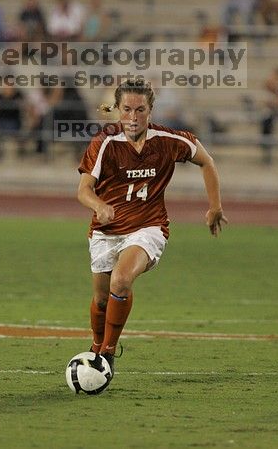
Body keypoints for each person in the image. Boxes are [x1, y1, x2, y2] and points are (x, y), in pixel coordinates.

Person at [76, 79, 227, 383]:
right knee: (102, 300)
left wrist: (215, 207)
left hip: (148, 227)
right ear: (117, 110)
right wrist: (99, 205)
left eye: (140, 110)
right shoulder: (105, 141)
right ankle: (96, 346)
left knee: (122, 279)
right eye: (127, 109)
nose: (133, 117)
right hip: (106, 230)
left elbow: (207, 162)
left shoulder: (168, 140)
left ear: (150, 110)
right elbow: (83, 190)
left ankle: (107, 352)